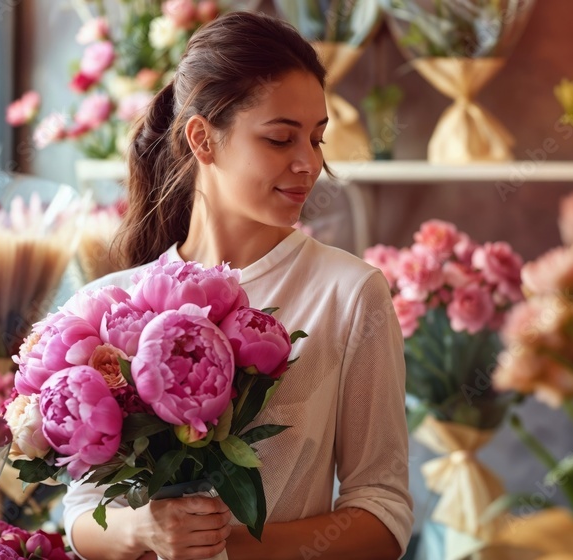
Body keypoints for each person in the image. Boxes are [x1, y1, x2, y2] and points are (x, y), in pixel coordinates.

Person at [62, 11, 413, 560]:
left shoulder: (349, 293)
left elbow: (384, 512)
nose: (308, 164)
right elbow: (80, 512)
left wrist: (231, 548)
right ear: (202, 138)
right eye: (280, 139)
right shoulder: (105, 304)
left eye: (318, 140)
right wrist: (144, 531)